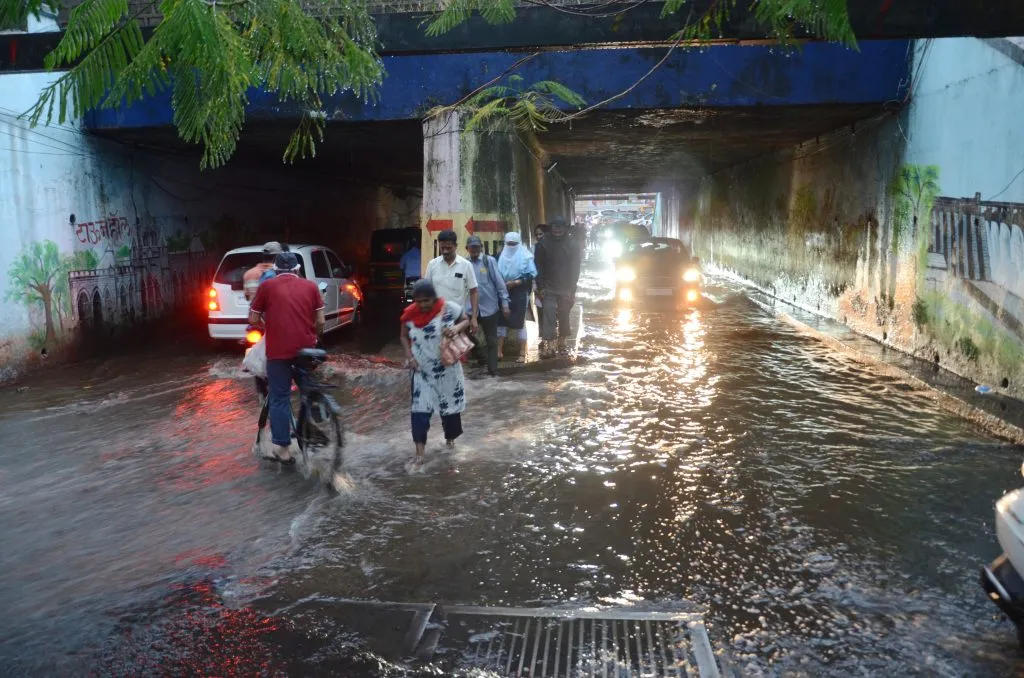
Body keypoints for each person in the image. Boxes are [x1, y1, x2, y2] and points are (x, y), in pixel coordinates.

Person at [249, 252, 325, 465]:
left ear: (276, 270)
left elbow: (253, 318)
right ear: (297, 269)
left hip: (278, 351)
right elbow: (320, 320)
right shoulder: (310, 286)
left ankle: (283, 449)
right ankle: (316, 421)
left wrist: (268, 329)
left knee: (280, 397)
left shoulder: (267, 286)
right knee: (307, 389)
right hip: (306, 349)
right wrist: (313, 334)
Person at [400, 280, 471, 462]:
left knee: (450, 411)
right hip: (422, 371)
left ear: (434, 298)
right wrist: (409, 356)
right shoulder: (409, 315)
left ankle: (450, 443)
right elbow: (402, 336)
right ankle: (419, 456)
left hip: (448, 370)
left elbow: (466, 320)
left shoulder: (448, 308)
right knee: (419, 412)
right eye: (419, 301)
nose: (423, 305)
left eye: (427, 300)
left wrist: (455, 328)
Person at [533, 216, 582, 359]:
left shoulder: (573, 244)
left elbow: (575, 268)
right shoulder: (543, 244)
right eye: (555, 231)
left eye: (561, 231)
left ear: (565, 229)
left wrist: (572, 288)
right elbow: (538, 266)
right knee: (548, 314)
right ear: (551, 229)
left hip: (566, 286)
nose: (558, 233)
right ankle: (550, 345)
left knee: (564, 314)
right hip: (548, 286)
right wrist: (540, 286)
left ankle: (562, 343)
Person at [465, 235, 510, 376]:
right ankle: (481, 357)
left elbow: (499, 282)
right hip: (469, 309)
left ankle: (493, 371)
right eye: (472, 247)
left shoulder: (488, 261)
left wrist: (505, 303)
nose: (475, 250)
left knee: (491, 340)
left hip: (489, 308)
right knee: (464, 334)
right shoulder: (464, 264)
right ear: (467, 248)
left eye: (477, 247)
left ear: (481, 248)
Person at [424, 229, 479, 334]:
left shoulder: (466, 265)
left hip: (459, 319)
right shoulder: (432, 265)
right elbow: (426, 291)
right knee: (437, 349)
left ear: (456, 246)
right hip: (436, 318)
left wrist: (474, 318)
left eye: (448, 248)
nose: (445, 251)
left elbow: (474, 291)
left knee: (459, 349)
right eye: (442, 248)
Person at [496, 232, 537, 363]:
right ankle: (498, 352)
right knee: (501, 321)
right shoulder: (499, 256)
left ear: (518, 244)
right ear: (505, 244)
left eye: (514, 244)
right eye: (509, 244)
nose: (511, 246)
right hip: (503, 291)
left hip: (520, 292)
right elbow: (494, 273)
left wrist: (516, 282)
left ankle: (522, 353)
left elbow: (531, 274)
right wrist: (503, 284)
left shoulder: (526, 256)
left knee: (520, 322)